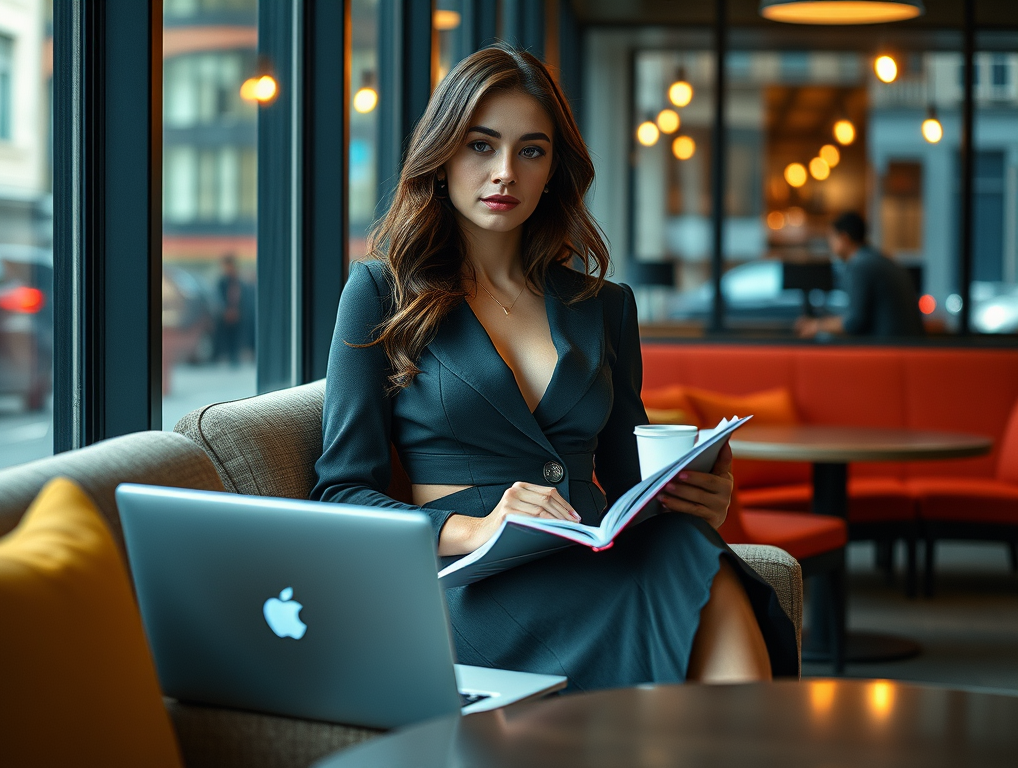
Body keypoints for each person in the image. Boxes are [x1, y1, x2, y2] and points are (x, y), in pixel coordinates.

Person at [311, 45, 797, 690]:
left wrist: (694, 496)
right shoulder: (380, 292)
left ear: (552, 170)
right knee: (697, 582)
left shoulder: (604, 306)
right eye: (481, 146)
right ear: (443, 154)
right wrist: (477, 528)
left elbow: (632, 483)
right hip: (475, 581)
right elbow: (340, 495)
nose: (505, 172)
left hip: (594, 553)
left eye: (530, 151)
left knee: (692, 550)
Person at [796, 212, 924, 339]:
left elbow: (855, 323)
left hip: (890, 349)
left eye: (831, 237)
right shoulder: (877, 259)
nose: (830, 244)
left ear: (844, 238)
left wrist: (817, 325)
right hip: (907, 346)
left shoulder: (860, 265)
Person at [216, 254, 244, 366]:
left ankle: (235, 356)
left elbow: (243, 298)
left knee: (236, 336)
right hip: (226, 314)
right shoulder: (222, 282)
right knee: (225, 336)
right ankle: (224, 355)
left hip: (238, 313)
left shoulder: (238, 281)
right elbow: (219, 298)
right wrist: (225, 310)